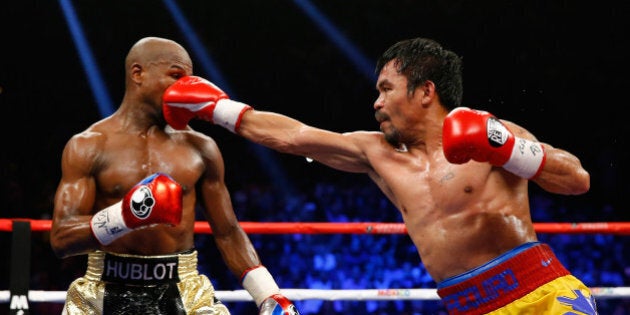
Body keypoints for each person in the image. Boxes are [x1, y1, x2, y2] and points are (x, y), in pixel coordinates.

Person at [162, 37, 599, 314]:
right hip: (466, 306)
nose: (376, 102)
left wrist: (505, 146)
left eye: (386, 89)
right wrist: (216, 109)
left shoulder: (489, 132)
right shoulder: (376, 153)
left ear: (426, 91)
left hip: (542, 294)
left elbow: (576, 179)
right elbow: (295, 136)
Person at [50, 37, 299, 315]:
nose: (184, 87)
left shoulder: (201, 148)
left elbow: (228, 232)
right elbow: (61, 239)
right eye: (176, 75)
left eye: (189, 79)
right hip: (102, 289)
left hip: (184, 289)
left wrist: (268, 294)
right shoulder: (88, 145)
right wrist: (124, 216)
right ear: (138, 74)